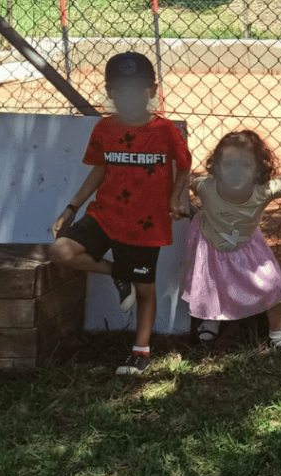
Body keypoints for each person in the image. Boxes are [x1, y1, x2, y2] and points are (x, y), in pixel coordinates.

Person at [50, 52, 191, 376]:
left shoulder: (166, 131)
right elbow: (100, 170)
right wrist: (72, 208)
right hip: (106, 215)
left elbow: (183, 167)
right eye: (120, 91)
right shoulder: (104, 128)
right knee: (62, 250)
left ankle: (140, 351)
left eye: (137, 90)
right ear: (110, 93)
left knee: (145, 290)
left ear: (152, 91)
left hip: (146, 224)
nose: (128, 97)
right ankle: (119, 273)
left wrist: (175, 197)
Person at [183, 130, 281, 351]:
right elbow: (183, 177)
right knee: (212, 285)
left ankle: (278, 335)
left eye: (245, 165)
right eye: (228, 164)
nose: (236, 172)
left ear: (259, 170)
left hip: (247, 248)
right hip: (211, 247)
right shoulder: (206, 187)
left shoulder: (264, 190)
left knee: (273, 287)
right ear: (217, 167)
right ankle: (212, 319)